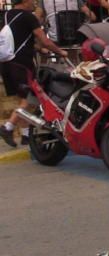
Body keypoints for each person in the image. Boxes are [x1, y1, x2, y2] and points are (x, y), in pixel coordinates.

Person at [0, 0, 69, 147]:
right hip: (22, 64)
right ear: (25, 1)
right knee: (30, 98)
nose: (35, 3)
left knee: (23, 98)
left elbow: (19, 39)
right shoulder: (28, 16)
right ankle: (8, 127)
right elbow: (45, 40)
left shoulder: (5, 15)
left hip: (6, 63)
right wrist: (60, 51)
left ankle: (26, 136)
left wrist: (39, 49)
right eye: (33, 1)